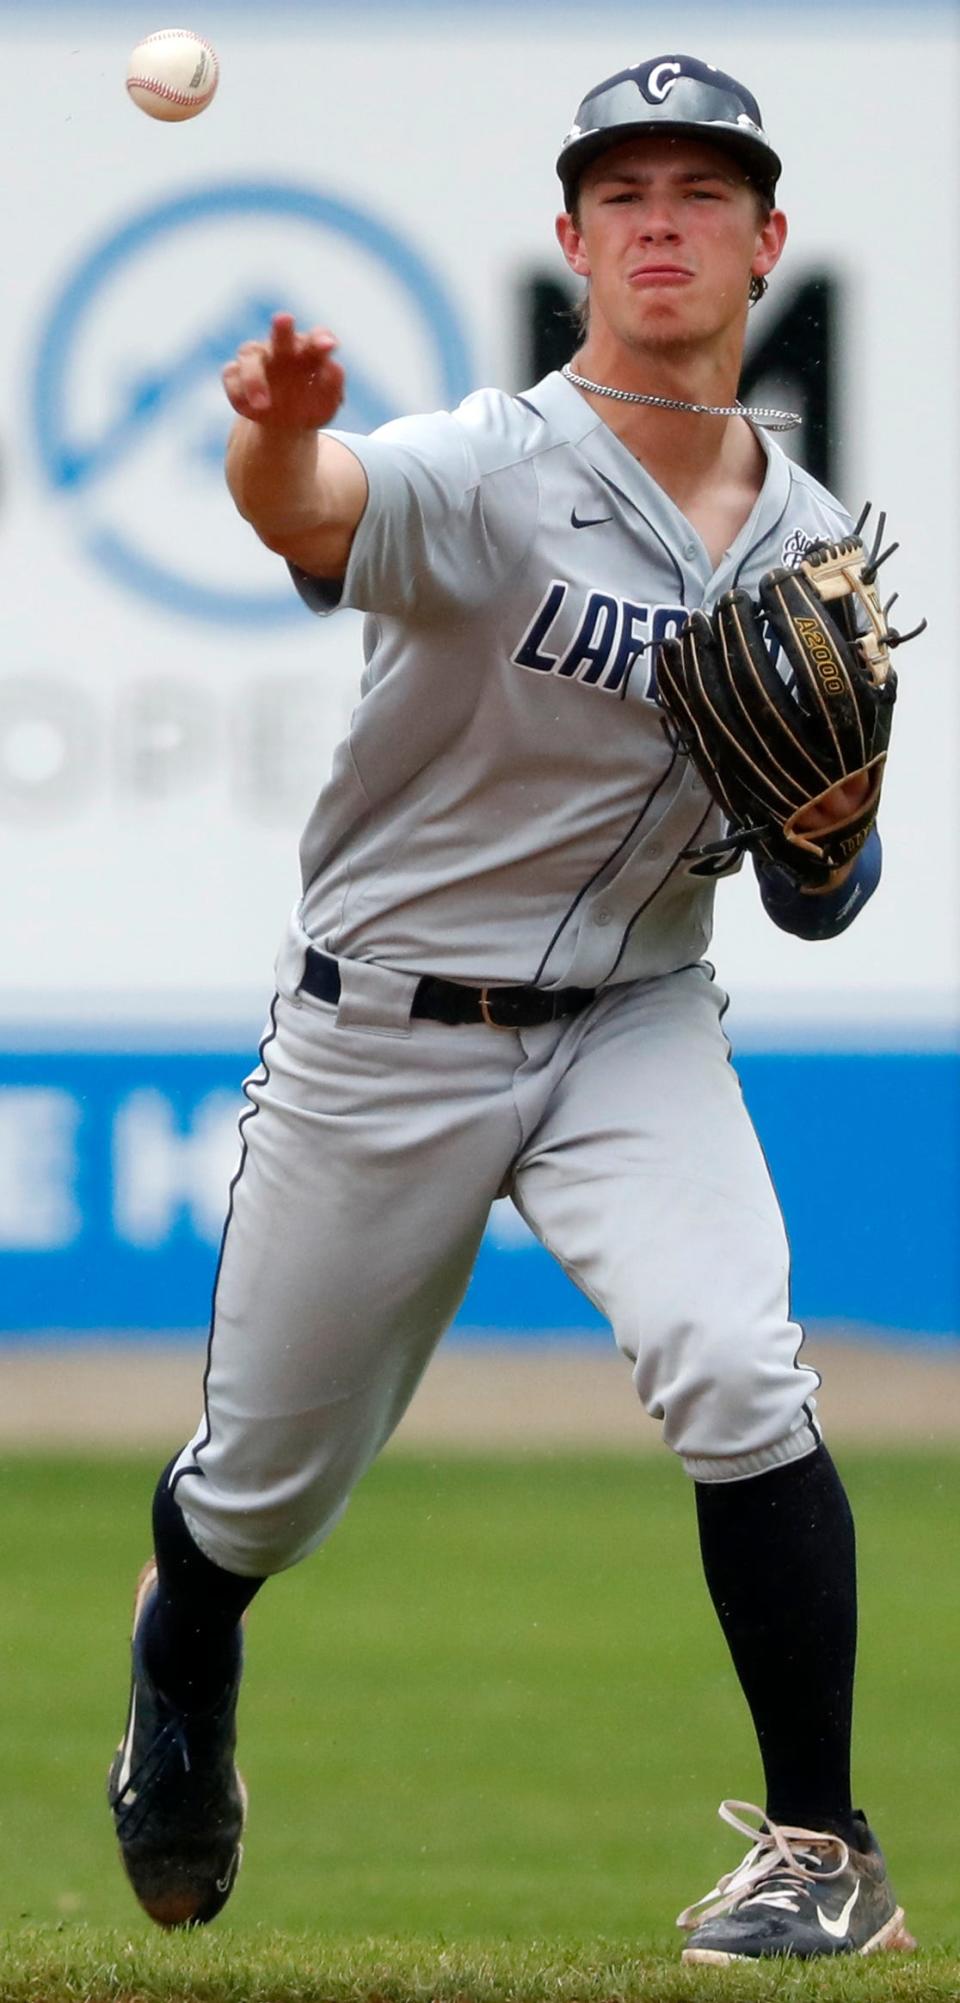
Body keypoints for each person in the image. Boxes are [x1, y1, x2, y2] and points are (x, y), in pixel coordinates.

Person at [107, 53, 913, 1963]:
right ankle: (185, 1656)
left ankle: (823, 1849)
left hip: (634, 1020)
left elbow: (817, 896)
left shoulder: (807, 539)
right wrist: (278, 437)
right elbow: (316, 508)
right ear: (571, 242)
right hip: (383, 1032)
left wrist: (825, 840)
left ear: (763, 241)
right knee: (257, 1497)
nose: (660, 220)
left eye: (699, 192)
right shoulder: (484, 464)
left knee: (740, 1368)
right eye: (622, 191)